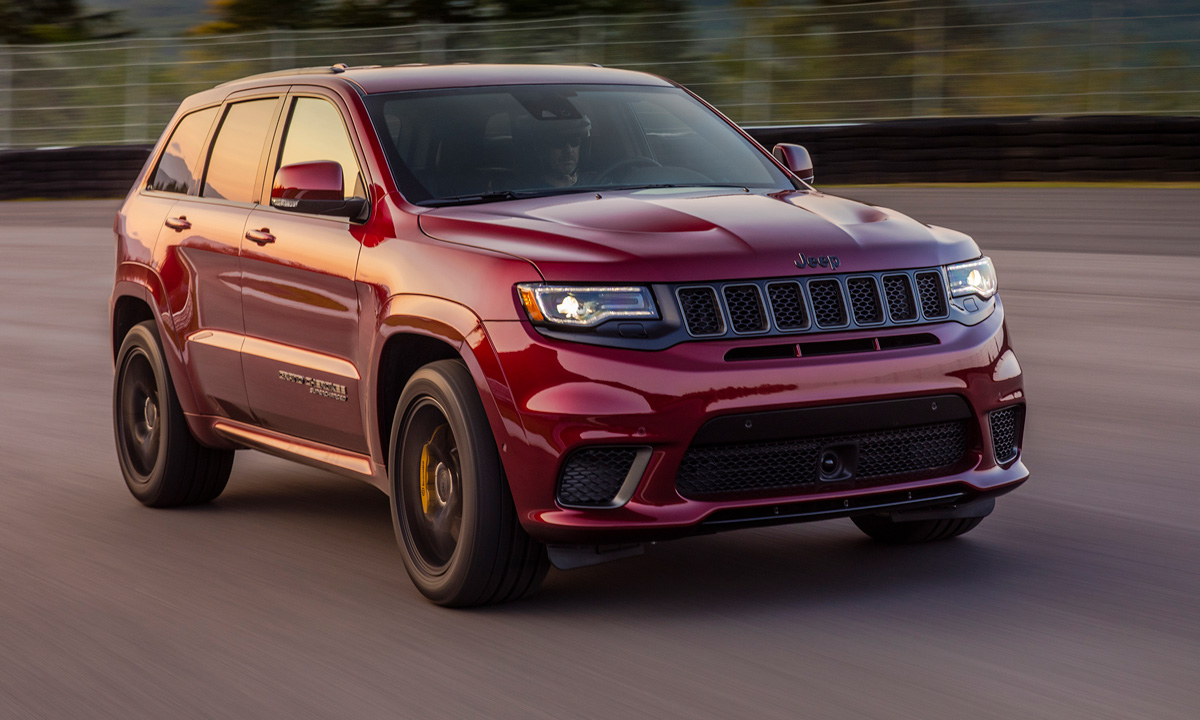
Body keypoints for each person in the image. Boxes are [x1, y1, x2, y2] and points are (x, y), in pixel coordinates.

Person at [531, 115, 590, 188]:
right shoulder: (526, 189)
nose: (568, 150)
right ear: (542, 149)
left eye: (574, 141)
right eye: (559, 142)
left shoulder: (596, 185)